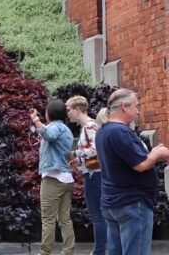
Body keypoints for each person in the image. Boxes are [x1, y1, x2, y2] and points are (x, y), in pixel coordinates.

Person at [98, 88, 169, 255]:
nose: (137, 111)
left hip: (113, 201)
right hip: (132, 202)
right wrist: (157, 154)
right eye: (136, 106)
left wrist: (151, 154)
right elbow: (140, 164)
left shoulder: (104, 131)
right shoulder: (119, 131)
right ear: (124, 107)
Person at [30, 100, 75, 255]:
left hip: (53, 179)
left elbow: (49, 135)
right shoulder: (67, 130)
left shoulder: (55, 127)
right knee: (65, 219)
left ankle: (45, 252)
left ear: (50, 115)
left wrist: (35, 120)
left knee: (48, 219)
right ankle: (68, 251)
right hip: (67, 178)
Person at [66, 96, 106, 255]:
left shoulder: (89, 126)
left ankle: (99, 251)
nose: (68, 114)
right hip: (92, 174)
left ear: (77, 110)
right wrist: (79, 160)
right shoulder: (88, 127)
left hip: (94, 175)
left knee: (97, 215)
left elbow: (96, 149)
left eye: (69, 110)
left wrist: (76, 153)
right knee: (99, 215)